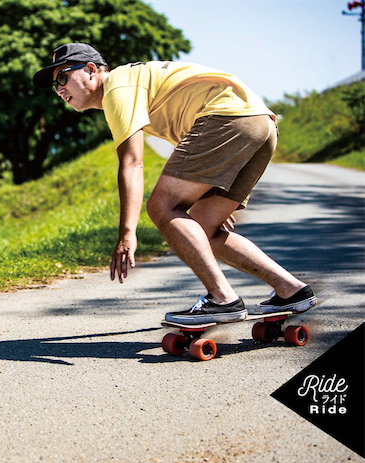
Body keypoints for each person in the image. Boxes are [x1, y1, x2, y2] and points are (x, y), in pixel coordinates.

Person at [33, 43, 317, 325]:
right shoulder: (137, 84)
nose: (59, 89)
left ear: (91, 70)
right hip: (260, 124)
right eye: (54, 85)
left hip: (226, 118)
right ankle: (291, 290)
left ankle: (223, 300)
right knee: (203, 227)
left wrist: (126, 234)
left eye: (62, 77)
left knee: (161, 206)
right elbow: (190, 144)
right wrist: (208, 189)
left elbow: (132, 163)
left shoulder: (117, 88)